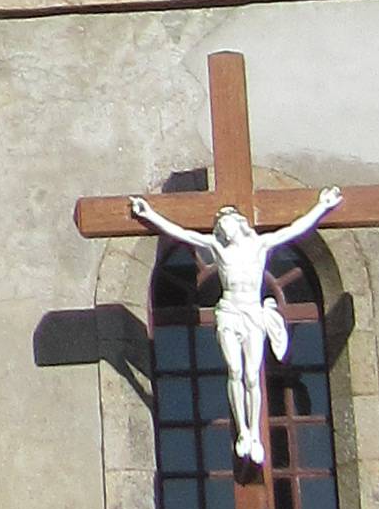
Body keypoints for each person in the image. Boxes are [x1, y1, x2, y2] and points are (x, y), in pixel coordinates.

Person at [128, 184, 341, 469]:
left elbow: (295, 229)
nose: (222, 229)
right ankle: (242, 432)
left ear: (237, 222)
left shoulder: (260, 245)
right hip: (229, 311)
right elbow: (183, 234)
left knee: (253, 375)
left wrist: (323, 206)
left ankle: (254, 434)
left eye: (225, 222)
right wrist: (151, 214)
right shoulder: (218, 248)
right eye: (219, 225)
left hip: (252, 312)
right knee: (235, 371)